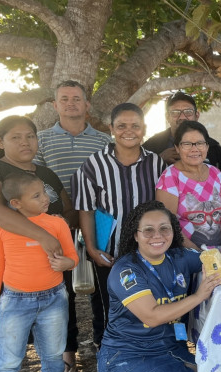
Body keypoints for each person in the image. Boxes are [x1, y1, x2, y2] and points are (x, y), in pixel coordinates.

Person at [0, 115, 82, 372]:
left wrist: (59, 234)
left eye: (30, 136)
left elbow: (66, 209)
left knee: (53, 340)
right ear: (0, 142)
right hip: (10, 265)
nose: (25, 142)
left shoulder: (45, 172)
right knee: (9, 342)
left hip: (50, 273)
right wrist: (44, 236)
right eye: (15, 137)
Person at [98, 201, 221, 372]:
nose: (157, 236)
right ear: (135, 235)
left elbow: (214, 258)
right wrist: (199, 296)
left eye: (164, 228)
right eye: (148, 230)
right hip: (128, 355)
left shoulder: (178, 256)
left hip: (168, 349)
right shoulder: (126, 271)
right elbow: (152, 317)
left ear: (173, 231)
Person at [0, 172, 81, 372]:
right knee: (8, 360)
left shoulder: (57, 224)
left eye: (44, 192)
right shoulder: (3, 227)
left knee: (53, 353)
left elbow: (72, 257)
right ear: (16, 203)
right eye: (36, 195)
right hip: (15, 301)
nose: (46, 198)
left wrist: (67, 264)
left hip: (54, 298)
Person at [73, 103, 167, 349]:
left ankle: (148, 349)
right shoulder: (93, 165)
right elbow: (86, 209)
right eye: (122, 126)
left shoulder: (156, 164)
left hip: (147, 251)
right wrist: (92, 249)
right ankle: (108, 352)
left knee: (149, 300)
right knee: (109, 304)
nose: (129, 131)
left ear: (144, 129)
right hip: (109, 252)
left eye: (135, 125)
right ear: (111, 129)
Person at [36, 79, 112, 372]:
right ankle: (68, 353)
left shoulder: (104, 141)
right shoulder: (40, 140)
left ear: (87, 105)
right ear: (55, 105)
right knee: (61, 291)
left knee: (102, 287)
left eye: (77, 98)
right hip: (58, 225)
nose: (71, 103)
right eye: (64, 99)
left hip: (98, 222)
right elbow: (38, 181)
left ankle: (103, 342)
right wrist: (64, 215)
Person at [155, 120, 221, 250]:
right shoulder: (170, 177)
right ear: (177, 148)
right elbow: (168, 223)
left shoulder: (215, 173)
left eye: (200, 143)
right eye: (187, 144)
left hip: (216, 252)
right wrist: (198, 253)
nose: (194, 149)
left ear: (207, 146)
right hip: (186, 255)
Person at [142, 91, 221, 172]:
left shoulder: (213, 148)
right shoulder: (152, 145)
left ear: (197, 115)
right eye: (175, 112)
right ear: (167, 117)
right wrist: (158, 160)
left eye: (188, 112)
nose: (182, 117)